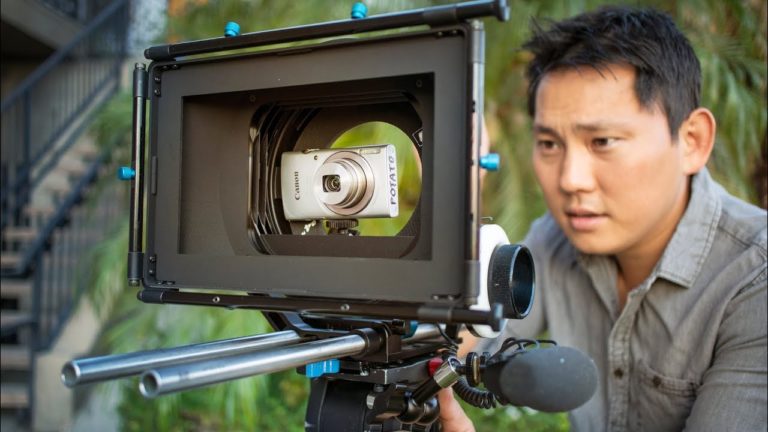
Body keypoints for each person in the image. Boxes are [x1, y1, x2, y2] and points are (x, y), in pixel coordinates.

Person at [440, 6, 767, 432]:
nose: (570, 180)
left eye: (603, 141)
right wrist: (458, 193)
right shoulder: (554, 241)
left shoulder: (754, 280)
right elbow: (456, 350)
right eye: (549, 144)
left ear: (692, 141)